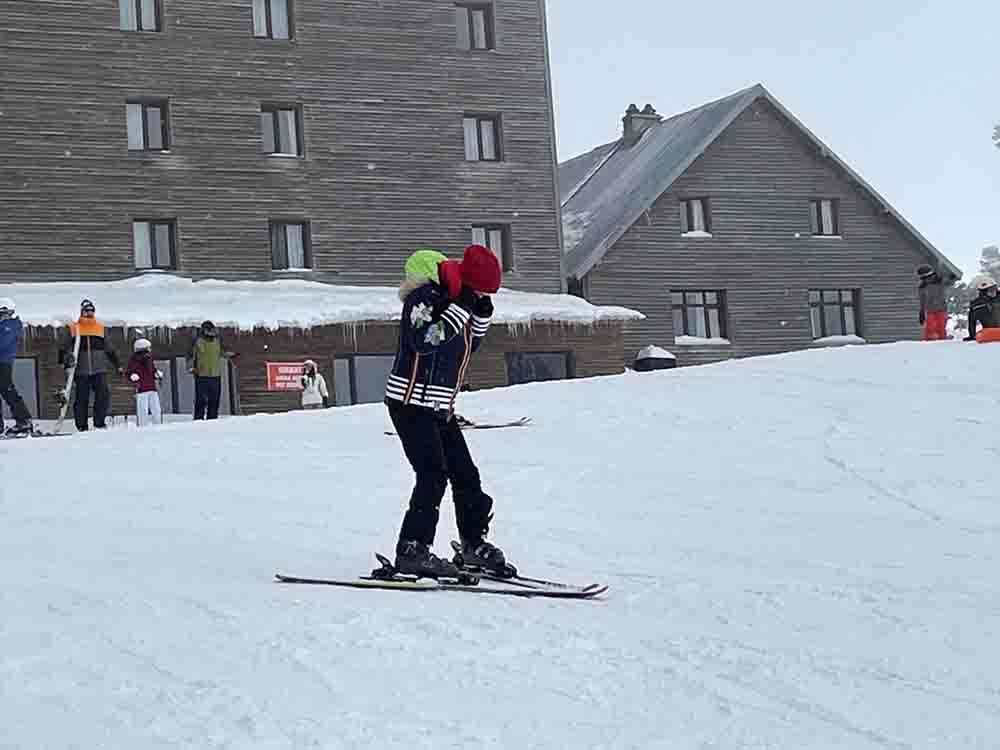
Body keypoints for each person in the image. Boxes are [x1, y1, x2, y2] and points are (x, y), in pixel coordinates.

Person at [384, 244, 508, 578]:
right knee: (432, 474)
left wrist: (480, 314)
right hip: (409, 402)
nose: (482, 294)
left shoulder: (461, 302)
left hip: (440, 406)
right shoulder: (424, 297)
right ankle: (412, 548)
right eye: (481, 289)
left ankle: (472, 544)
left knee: (466, 474)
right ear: (467, 282)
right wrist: (461, 309)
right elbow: (425, 340)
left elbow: (469, 346)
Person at [60, 299, 121, 431]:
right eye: (86, 311)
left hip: (99, 369)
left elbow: (110, 349)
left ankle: (99, 422)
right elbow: (64, 349)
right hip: (81, 370)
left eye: (91, 311)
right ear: (82, 312)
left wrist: (117, 365)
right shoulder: (74, 328)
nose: (89, 313)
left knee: (103, 395)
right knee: (82, 398)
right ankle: (82, 426)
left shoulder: (100, 328)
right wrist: (65, 361)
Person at [189, 321, 236, 420]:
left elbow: (223, 352)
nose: (211, 332)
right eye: (208, 330)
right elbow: (190, 356)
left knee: (214, 401)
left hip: (215, 376)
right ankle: (198, 421)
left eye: (212, 330)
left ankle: (212, 421)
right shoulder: (197, 341)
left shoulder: (217, 341)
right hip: (201, 376)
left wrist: (233, 355)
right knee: (200, 401)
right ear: (204, 330)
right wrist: (191, 368)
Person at [0, 298, 34, 435]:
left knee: (8, 390)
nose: (2, 316)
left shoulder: (10, 326)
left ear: (11, 312)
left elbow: (2, 343)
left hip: (3, 362)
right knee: (7, 390)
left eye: (4, 313)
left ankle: (24, 421)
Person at [126, 338, 163, 427]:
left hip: (152, 388)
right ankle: (143, 427)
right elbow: (129, 372)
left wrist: (156, 374)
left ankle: (158, 425)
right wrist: (132, 376)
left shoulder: (150, 359)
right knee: (143, 410)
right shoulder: (134, 360)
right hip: (141, 389)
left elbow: (152, 370)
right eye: (148, 348)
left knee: (156, 409)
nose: (149, 350)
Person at [916, 265, 949, 341]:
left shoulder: (940, 282)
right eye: (923, 279)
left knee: (941, 328)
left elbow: (949, 281)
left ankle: (943, 341)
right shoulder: (922, 287)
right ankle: (929, 343)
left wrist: (951, 277)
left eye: (927, 278)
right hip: (930, 310)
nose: (926, 280)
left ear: (931, 275)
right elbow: (922, 300)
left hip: (942, 309)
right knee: (929, 328)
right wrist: (921, 312)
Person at [964, 275, 1000, 341]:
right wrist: (972, 335)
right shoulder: (976, 305)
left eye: (994, 289)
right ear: (983, 292)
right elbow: (972, 321)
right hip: (989, 333)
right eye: (990, 290)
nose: (993, 292)